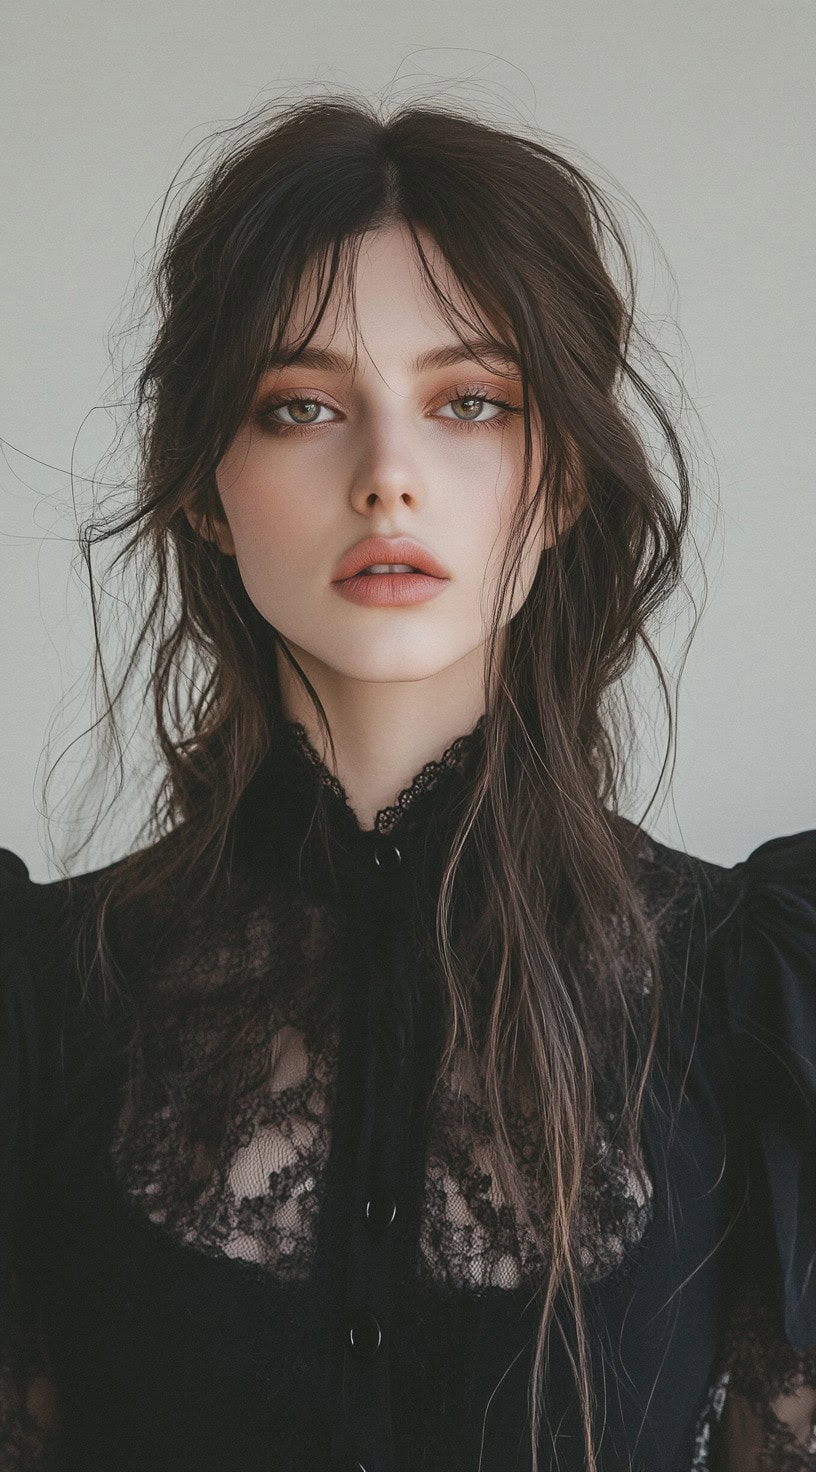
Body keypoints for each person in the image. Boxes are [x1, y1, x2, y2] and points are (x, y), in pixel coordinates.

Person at [0, 94, 814, 1472]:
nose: (388, 478)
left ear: (556, 480)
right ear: (205, 482)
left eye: (471, 403)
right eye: (301, 406)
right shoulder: (39, 998)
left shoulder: (754, 998)